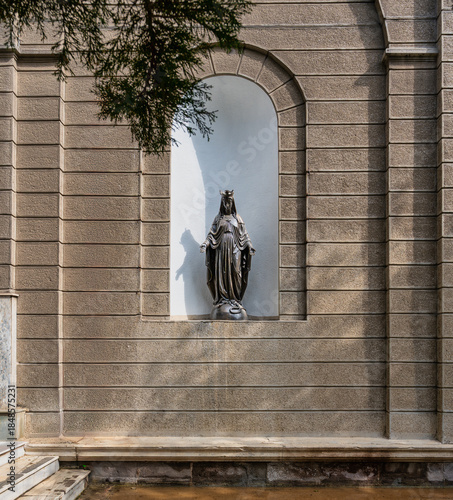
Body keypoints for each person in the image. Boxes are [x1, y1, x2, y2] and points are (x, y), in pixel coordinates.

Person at [200, 190, 255, 320]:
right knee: (222, 273)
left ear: (233, 203)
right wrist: (205, 244)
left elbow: (244, 235)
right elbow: (211, 235)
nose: (227, 205)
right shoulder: (218, 219)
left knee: (236, 272)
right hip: (221, 251)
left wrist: (250, 246)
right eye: (225, 202)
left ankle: (235, 299)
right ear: (222, 203)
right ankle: (222, 300)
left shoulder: (238, 218)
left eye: (229, 202)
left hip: (235, 250)